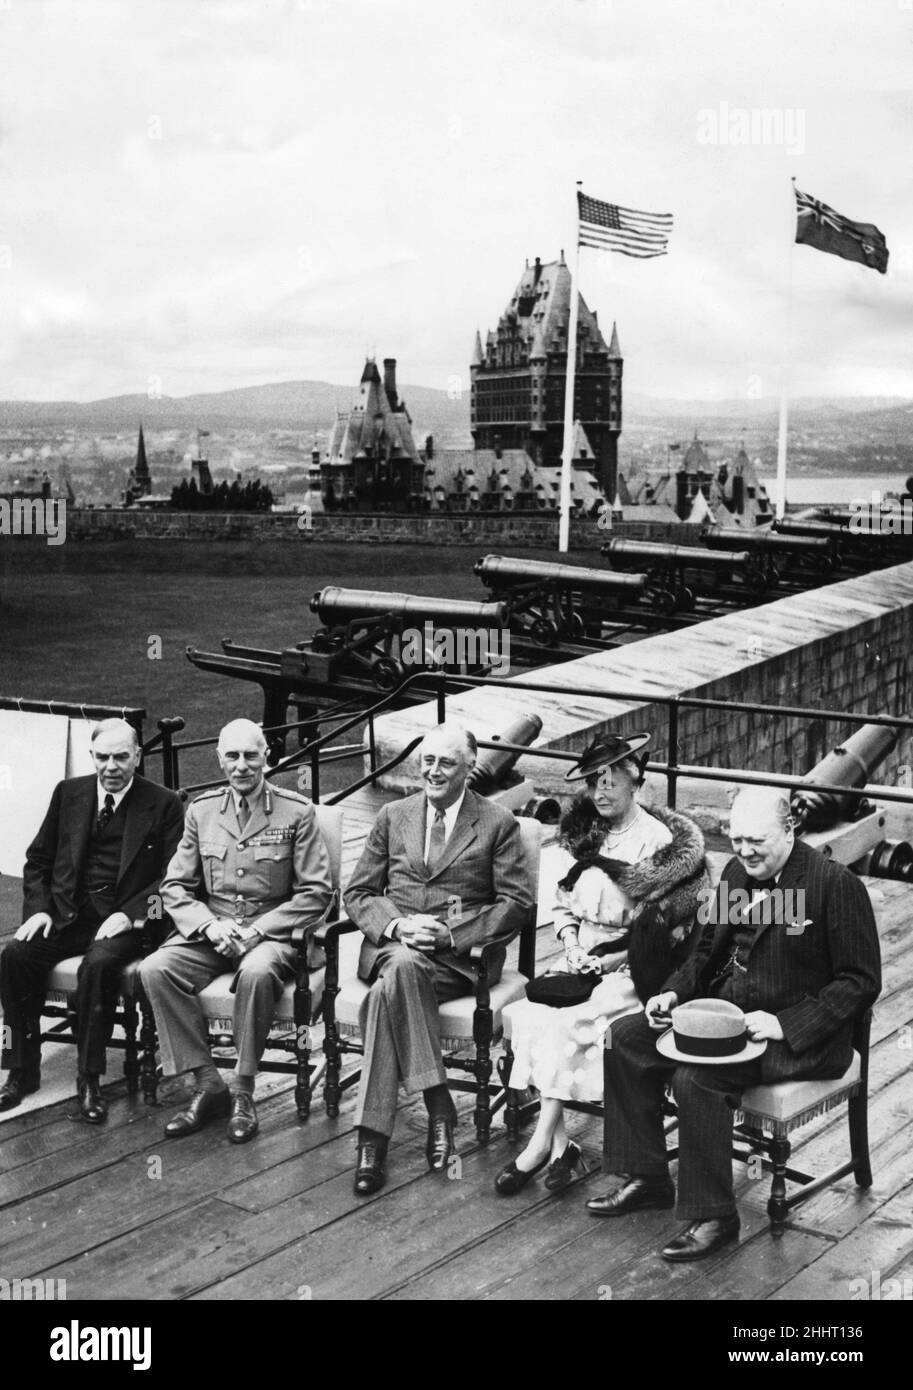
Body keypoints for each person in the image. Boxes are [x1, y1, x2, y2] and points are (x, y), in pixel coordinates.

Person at [586, 784, 882, 1261]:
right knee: (624, 1038)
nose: (744, 851)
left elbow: (860, 981)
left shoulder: (834, 885)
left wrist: (784, 1023)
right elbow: (705, 951)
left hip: (800, 1036)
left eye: (756, 842)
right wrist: (672, 993)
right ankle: (649, 1176)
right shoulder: (735, 874)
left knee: (696, 1077)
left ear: (790, 830)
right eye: (737, 839)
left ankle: (716, 1215)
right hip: (726, 1018)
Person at [495, 732, 708, 1195]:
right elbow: (563, 905)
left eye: (612, 780)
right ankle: (562, 1148)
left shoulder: (658, 843)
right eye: (595, 782)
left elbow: (663, 929)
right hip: (580, 962)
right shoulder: (583, 833)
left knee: (568, 1022)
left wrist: (609, 960)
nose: (603, 790)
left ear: (636, 782)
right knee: (531, 1014)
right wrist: (571, 946)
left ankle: (537, 1146)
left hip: (633, 969)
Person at [343, 721, 532, 1196]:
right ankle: (439, 1099)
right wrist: (398, 926)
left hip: (456, 962)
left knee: (392, 989)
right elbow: (359, 891)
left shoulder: (496, 823)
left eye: (446, 762)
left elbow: (517, 903)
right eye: (427, 760)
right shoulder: (393, 815)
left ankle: (372, 1140)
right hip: (393, 947)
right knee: (402, 966)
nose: (433, 771)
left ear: (469, 768)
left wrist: (450, 933)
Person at [140, 718, 333, 1144]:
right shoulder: (202, 811)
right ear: (220, 759)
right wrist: (208, 926)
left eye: (251, 755)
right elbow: (174, 886)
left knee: (258, 973)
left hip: (273, 935)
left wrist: (258, 931)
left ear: (268, 756)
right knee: (155, 969)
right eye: (232, 756)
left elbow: (317, 893)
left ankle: (243, 1089)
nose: (242, 765)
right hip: (214, 932)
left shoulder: (296, 811)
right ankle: (209, 1084)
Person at [0, 719, 184, 1120]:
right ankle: (19, 1069)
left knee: (98, 965)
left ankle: (89, 1077)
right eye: (102, 757)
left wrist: (133, 915)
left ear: (138, 756)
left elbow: (173, 878)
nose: (111, 766)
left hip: (127, 923)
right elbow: (38, 861)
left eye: (121, 757)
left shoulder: (165, 803)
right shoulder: (69, 793)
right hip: (68, 915)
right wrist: (41, 910)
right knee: (14, 955)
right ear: (92, 757)